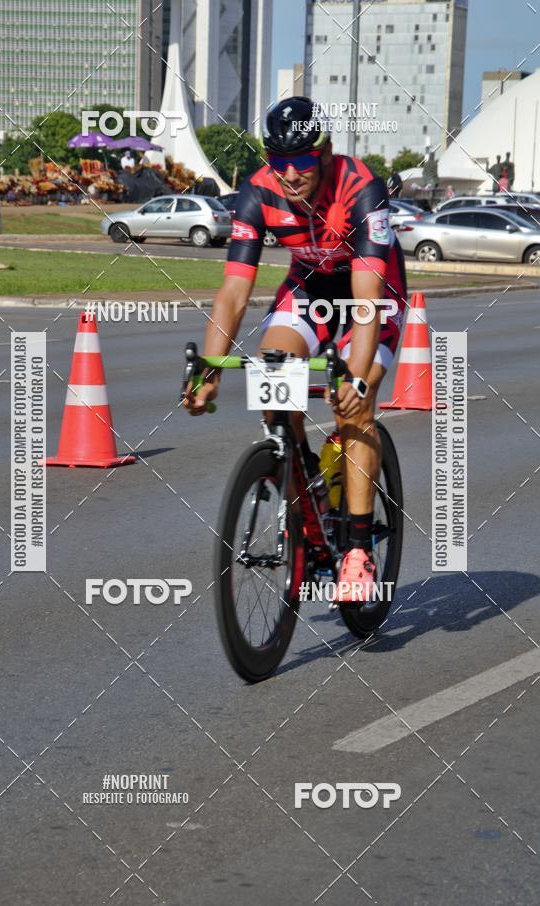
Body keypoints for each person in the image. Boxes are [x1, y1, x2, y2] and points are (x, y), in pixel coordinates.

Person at [183, 96, 407, 603]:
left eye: (301, 163)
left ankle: (355, 549)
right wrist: (210, 370)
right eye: (279, 162)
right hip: (309, 290)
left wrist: (356, 376)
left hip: (371, 296)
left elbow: (368, 300)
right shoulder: (258, 191)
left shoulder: (360, 188)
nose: (290, 175)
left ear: (324, 154)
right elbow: (234, 292)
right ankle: (302, 491)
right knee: (273, 378)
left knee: (355, 404)